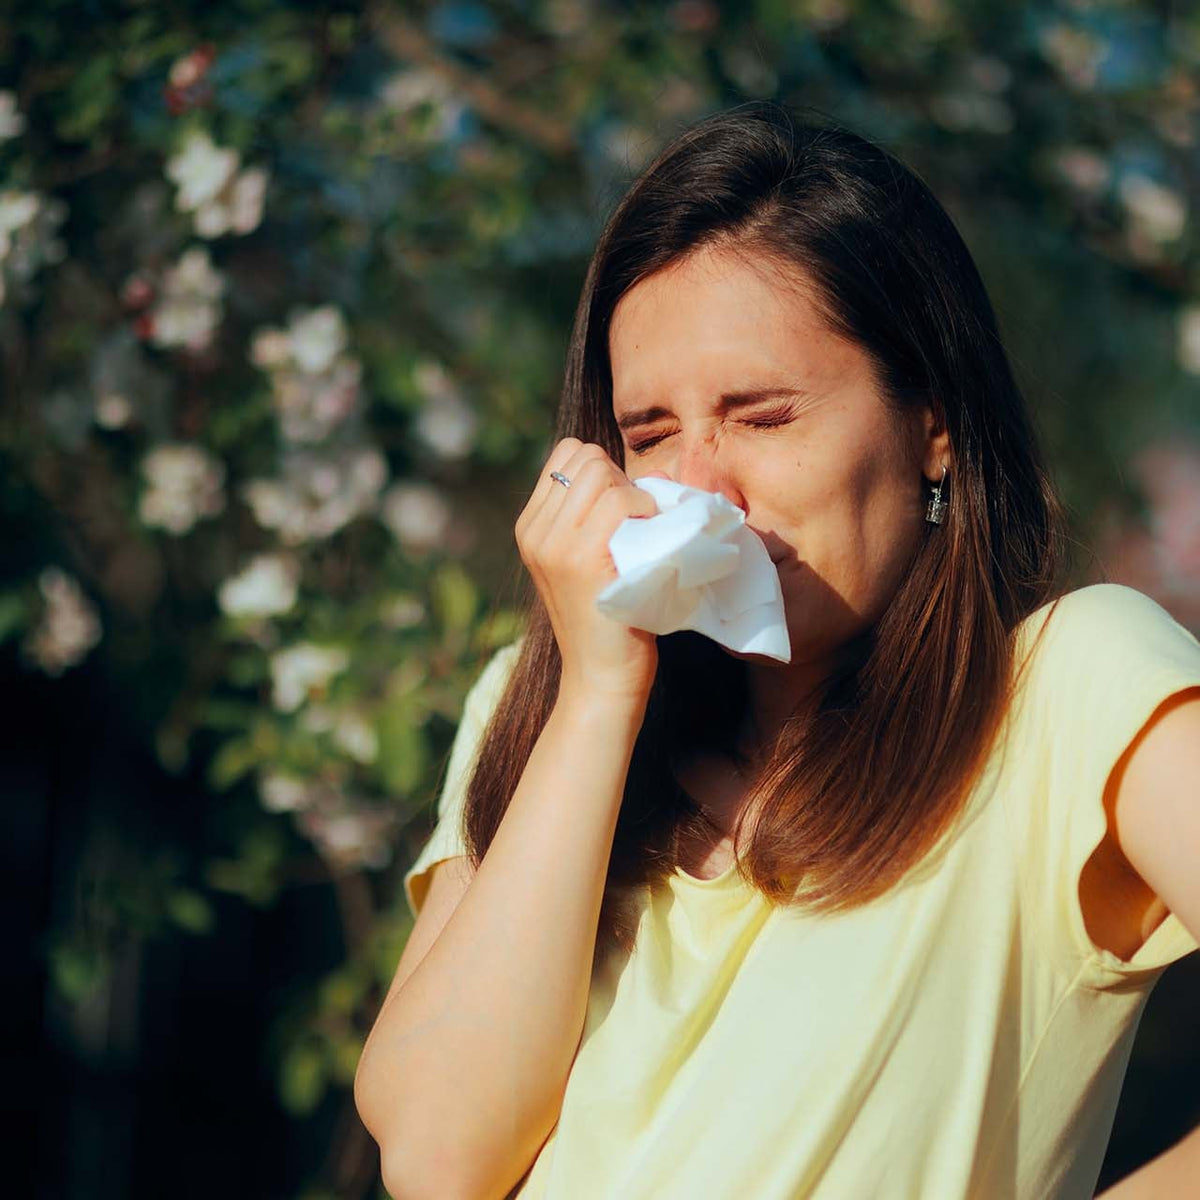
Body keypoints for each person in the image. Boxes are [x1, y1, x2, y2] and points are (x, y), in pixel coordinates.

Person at [354, 103, 1200, 1199]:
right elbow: (436, 1157)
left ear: (931, 423)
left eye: (761, 418)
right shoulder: (542, 707)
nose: (701, 490)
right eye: (651, 434)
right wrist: (600, 697)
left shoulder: (1066, 693)